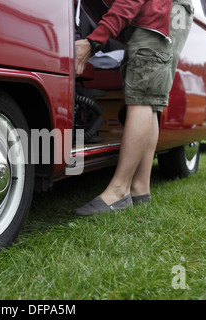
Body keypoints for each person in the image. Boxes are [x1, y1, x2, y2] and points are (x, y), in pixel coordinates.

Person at [73, 0, 193, 216]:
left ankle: (119, 190)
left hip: (157, 16)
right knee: (149, 100)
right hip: (163, 15)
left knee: (142, 97)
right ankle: (140, 188)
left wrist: (95, 41)